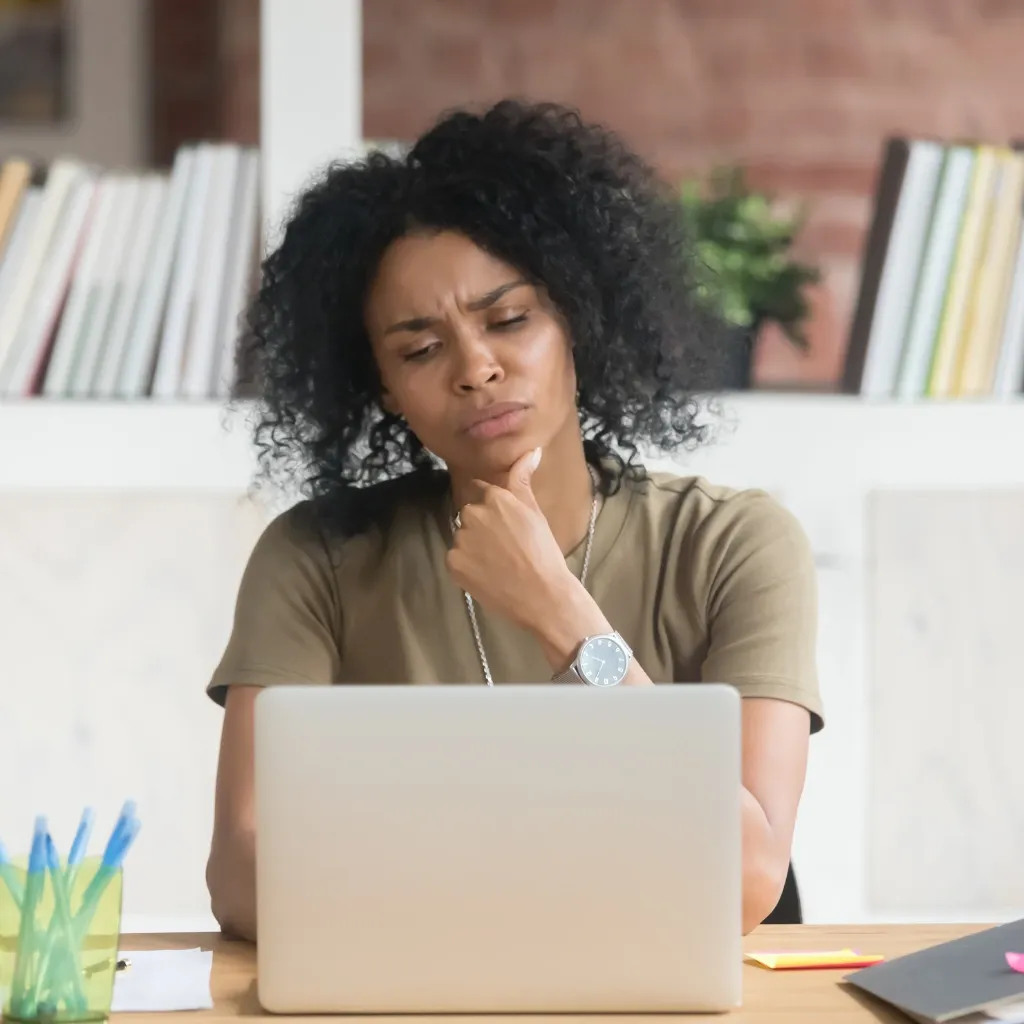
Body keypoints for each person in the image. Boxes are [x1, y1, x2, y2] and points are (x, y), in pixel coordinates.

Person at [205, 99, 823, 943]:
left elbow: (749, 879)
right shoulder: (318, 559)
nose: (477, 368)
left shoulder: (733, 545)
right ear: (382, 387)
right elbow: (242, 876)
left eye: (509, 319)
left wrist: (560, 614)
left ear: (576, 316)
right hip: (415, 991)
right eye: (421, 349)